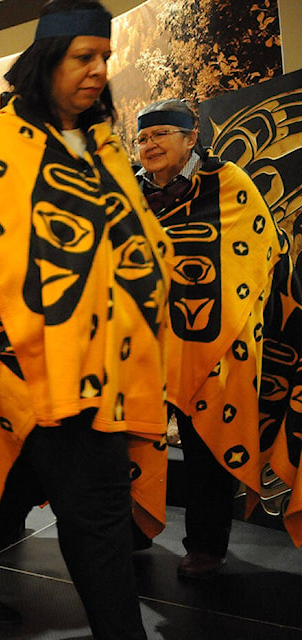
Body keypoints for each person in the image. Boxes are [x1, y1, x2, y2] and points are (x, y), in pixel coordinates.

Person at [0, 1, 171, 637]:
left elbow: (133, 242)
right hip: (27, 369)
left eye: (105, 58)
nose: (98, 70)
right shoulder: (3, 140)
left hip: (100, 366)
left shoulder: (104, 146)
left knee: (19, 490)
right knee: (91, 515)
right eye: (82, 57)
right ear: (46, 62)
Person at [134, 98, 300, 576]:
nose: (149, 145)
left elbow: (260, 248)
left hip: (211, 336)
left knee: (205, 442)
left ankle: (206, 545)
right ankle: (133, 525)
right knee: (133, 436)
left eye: (161, 134)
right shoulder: (130, 189)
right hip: (142, 338)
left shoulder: (227, 183)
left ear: (190, 138)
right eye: (143, 137)